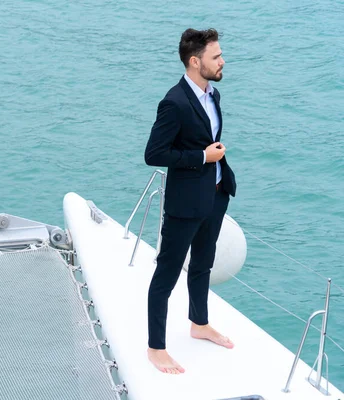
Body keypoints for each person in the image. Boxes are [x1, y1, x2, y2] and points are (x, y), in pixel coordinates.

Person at [144, 28, 237, 374]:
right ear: (195, 62)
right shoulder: (174, 102)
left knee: (203, 264)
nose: (223, 61)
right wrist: (202, 157)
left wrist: (215, 169)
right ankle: (156, 348)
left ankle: (199, 324)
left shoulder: (212, 94)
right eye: (216, 56)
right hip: (185, 205)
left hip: (214, 195)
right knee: (166, 275)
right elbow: (154, 154)